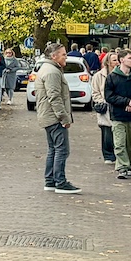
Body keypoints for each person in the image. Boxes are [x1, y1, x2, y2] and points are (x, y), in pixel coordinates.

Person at [34, 41, 79, 194]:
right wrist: (64, 118)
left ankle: (51, 181)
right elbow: (54, 97)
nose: (66, 57)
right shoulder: (52, 72)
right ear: (54, 56)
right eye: (64, 54)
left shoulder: (49, 68)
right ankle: (60, 181)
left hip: (48, 115)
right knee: (61, 150)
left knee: (53, 149)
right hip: (54, 117)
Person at [105, 49, 131, 180]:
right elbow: (109, 96)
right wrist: (126, 102)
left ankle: (128, 165)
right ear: (122, 60)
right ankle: (122, 166)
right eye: (130, 58)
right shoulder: (112, 77)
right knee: (119, 142)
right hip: (118, 115)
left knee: (130, 144)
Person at [86, 57, 114, 163]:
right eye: (114, 60)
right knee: (107, 132)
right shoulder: (99, 76)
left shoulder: (121, 75)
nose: (117, 62)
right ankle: (108, 155)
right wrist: (101, 101)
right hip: (105, 107)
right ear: (108, 62)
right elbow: (95, 92)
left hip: (117, 106)